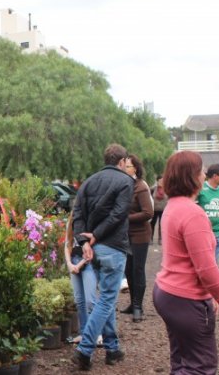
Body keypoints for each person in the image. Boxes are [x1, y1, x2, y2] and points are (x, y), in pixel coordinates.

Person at [153, 151, 219, 374]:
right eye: (201, 170)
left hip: (167, 294)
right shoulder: (194, 213)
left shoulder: (173, 206)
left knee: (181, 361)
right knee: (200, 367)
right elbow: (206, 269)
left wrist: (211, 296)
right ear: (191, 176)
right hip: (185, 299)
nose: (204, 175)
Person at [71, 143, 134, 370]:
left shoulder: (87, 182)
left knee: (105, 300)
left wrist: (85, 242)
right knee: (107, 299)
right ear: (121, 162)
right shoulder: (126, 181)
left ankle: (113, 349)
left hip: (92, 250)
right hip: (113, 247)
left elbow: (77, 214)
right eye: (126, 163)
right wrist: (95, 236)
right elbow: (119, 214)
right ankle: (85, 350)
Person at [120, 155, 153, 322]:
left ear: (135, 169)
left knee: (137, 269)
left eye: (128, 166)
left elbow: (148, 213)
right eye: (124, 166)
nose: (125, 169)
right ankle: (132, 303)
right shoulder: (124, 185)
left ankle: (138, 307)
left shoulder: (140, 187)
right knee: (128, 269)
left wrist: (125, 218)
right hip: (126, 234)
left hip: (140, 234)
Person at [63, 211, 98, 345]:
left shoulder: (91, 221)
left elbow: (92, 248)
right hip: (74, 260)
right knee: (79, 300)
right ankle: (84, 333)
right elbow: (67, 244)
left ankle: (96, 333)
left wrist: (78, 265)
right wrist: (70, 264)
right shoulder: (72, 220)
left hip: (88, 263)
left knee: (90, 300)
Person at [151, 175, 168, 244]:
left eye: (163, 180)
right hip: (154, 209)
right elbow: (149, 197)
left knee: (162, 225)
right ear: (157, 181)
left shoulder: (167, 189)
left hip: (163, 210)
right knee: (152, 224)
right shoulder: (153, 189)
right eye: (160, 180)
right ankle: (150, 238)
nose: (162, 182)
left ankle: (160, 239)